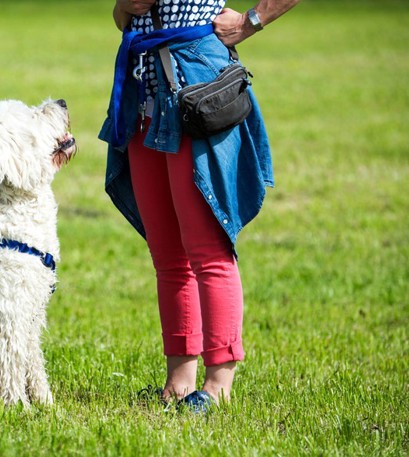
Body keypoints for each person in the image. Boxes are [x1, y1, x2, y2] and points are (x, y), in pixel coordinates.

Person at [99, 0, 300, 411]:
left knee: (207, 249)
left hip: (196, 90)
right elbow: (123, 16)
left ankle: (219, 384)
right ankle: (178, 383)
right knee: (168, 256)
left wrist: (252, 21)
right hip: (145, 94)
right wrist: (125, 5)